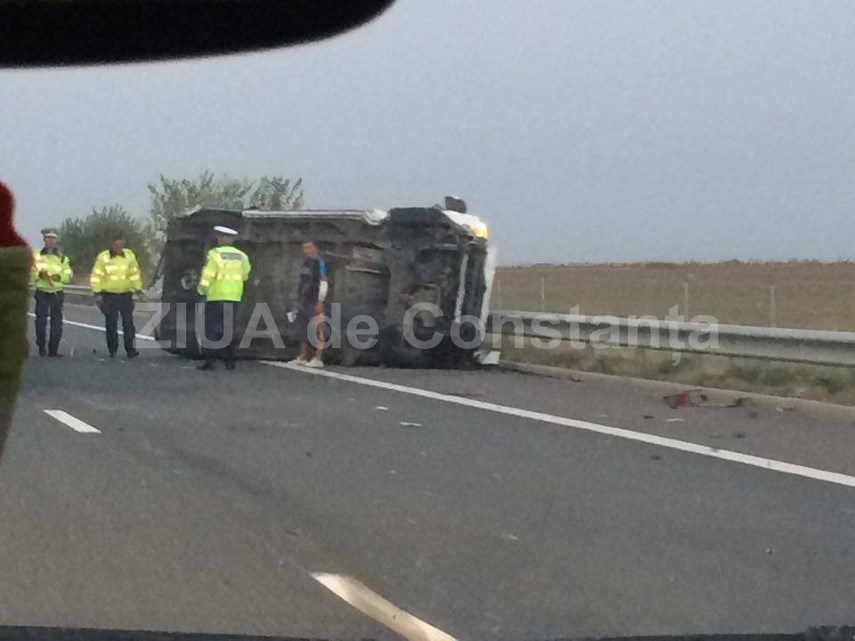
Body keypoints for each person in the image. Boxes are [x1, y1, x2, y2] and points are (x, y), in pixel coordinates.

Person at [196, 225, 251, 371]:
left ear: (219, 238)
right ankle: (230, 361)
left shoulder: (214, 254)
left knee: (211, 330)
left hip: (216, 296)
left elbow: (208, 276)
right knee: (229, 329)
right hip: (234, 296)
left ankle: (210, 361)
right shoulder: (242, 256)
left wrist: (201, 290)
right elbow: (245, 275)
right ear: (232, 240)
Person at [90, 235, 142, 358]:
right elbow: (96, 276)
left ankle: (131, 350)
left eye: (121, 245)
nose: (119, 247)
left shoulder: (129, 256)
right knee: (111, 323)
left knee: (128, 323)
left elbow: (134, 274)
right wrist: (97, 293)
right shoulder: (103, 257)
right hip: (109, 295)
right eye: (116, 245)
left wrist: (138, 289)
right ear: (111, 244)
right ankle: (112, 349)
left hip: (125, 294)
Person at [31, 228, 72, 357]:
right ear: (44, 239)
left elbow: (68, 273)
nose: (50, 240)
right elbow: (31, 272)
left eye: (53, 238)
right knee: (41, 321)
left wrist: (59, 277)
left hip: (56, 293)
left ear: (55, 240)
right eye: (48, 238)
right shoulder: (36, 256)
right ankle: (41, 346)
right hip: (42, 292)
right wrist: (39, 275)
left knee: (57, 322)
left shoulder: (62, 257)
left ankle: (53, 350)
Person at [290, 240, 328, 368]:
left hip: (315, 300)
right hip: (303, 300)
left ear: (315, 247)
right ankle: (302, 356)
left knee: (318, 328)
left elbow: (323, 282)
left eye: (309, 247)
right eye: (304, 248)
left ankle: (318, 358)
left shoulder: (319, 262)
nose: (306, 250)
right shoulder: (306, 263)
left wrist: (320, 301)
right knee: (303, 328)